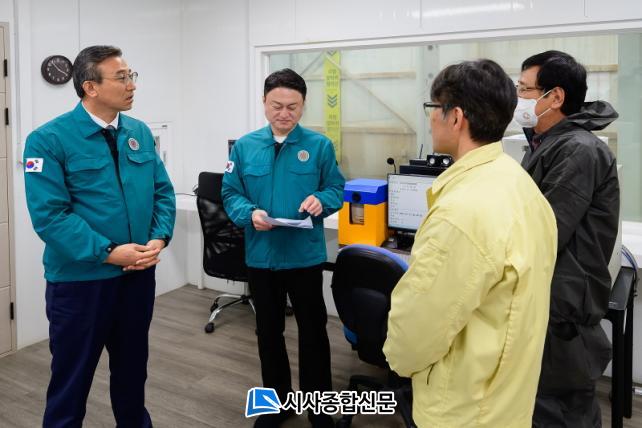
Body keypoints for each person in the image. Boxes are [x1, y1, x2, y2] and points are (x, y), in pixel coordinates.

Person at [383, 59, 558, 427]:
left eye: (433, 108)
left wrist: (397, 361)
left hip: (463, 408)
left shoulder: (461, 212)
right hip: (506, 399)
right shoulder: (521, 185)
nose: (431, 118)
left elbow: (417, 328)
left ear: (456, 118)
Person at [23, 45, 176, 427]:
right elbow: (50, 216)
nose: (131, 85)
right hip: (81, 283)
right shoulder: (47, 140)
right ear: (90, 87)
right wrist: (109, 252)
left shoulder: (138, 132)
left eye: (131, 76)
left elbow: (162, 192)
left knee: (132, 373)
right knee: (71, 383)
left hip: (137, 277)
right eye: (121, 78)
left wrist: (159, 238)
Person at [222, 68, 344, 428]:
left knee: (313, 333)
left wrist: (322, 200)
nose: (285, 113)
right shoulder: (245, 147)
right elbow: (230, 192)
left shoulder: (319, 146)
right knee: (268, 334)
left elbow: (336, 189)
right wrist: (249, 213)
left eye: (293, 107)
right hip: (262, 257)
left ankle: (319, 409)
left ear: (303, 106)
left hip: (304, 256)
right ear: (264, 102)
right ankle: (277, 406)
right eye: (277, 105)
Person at [515, 50, 620, 427]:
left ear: (555, 97)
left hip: (562, 307)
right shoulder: (548, 144)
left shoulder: (577, 150)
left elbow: (545, 233)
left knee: (557, 411)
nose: (518, 98)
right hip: (551, 299)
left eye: (525, 89)